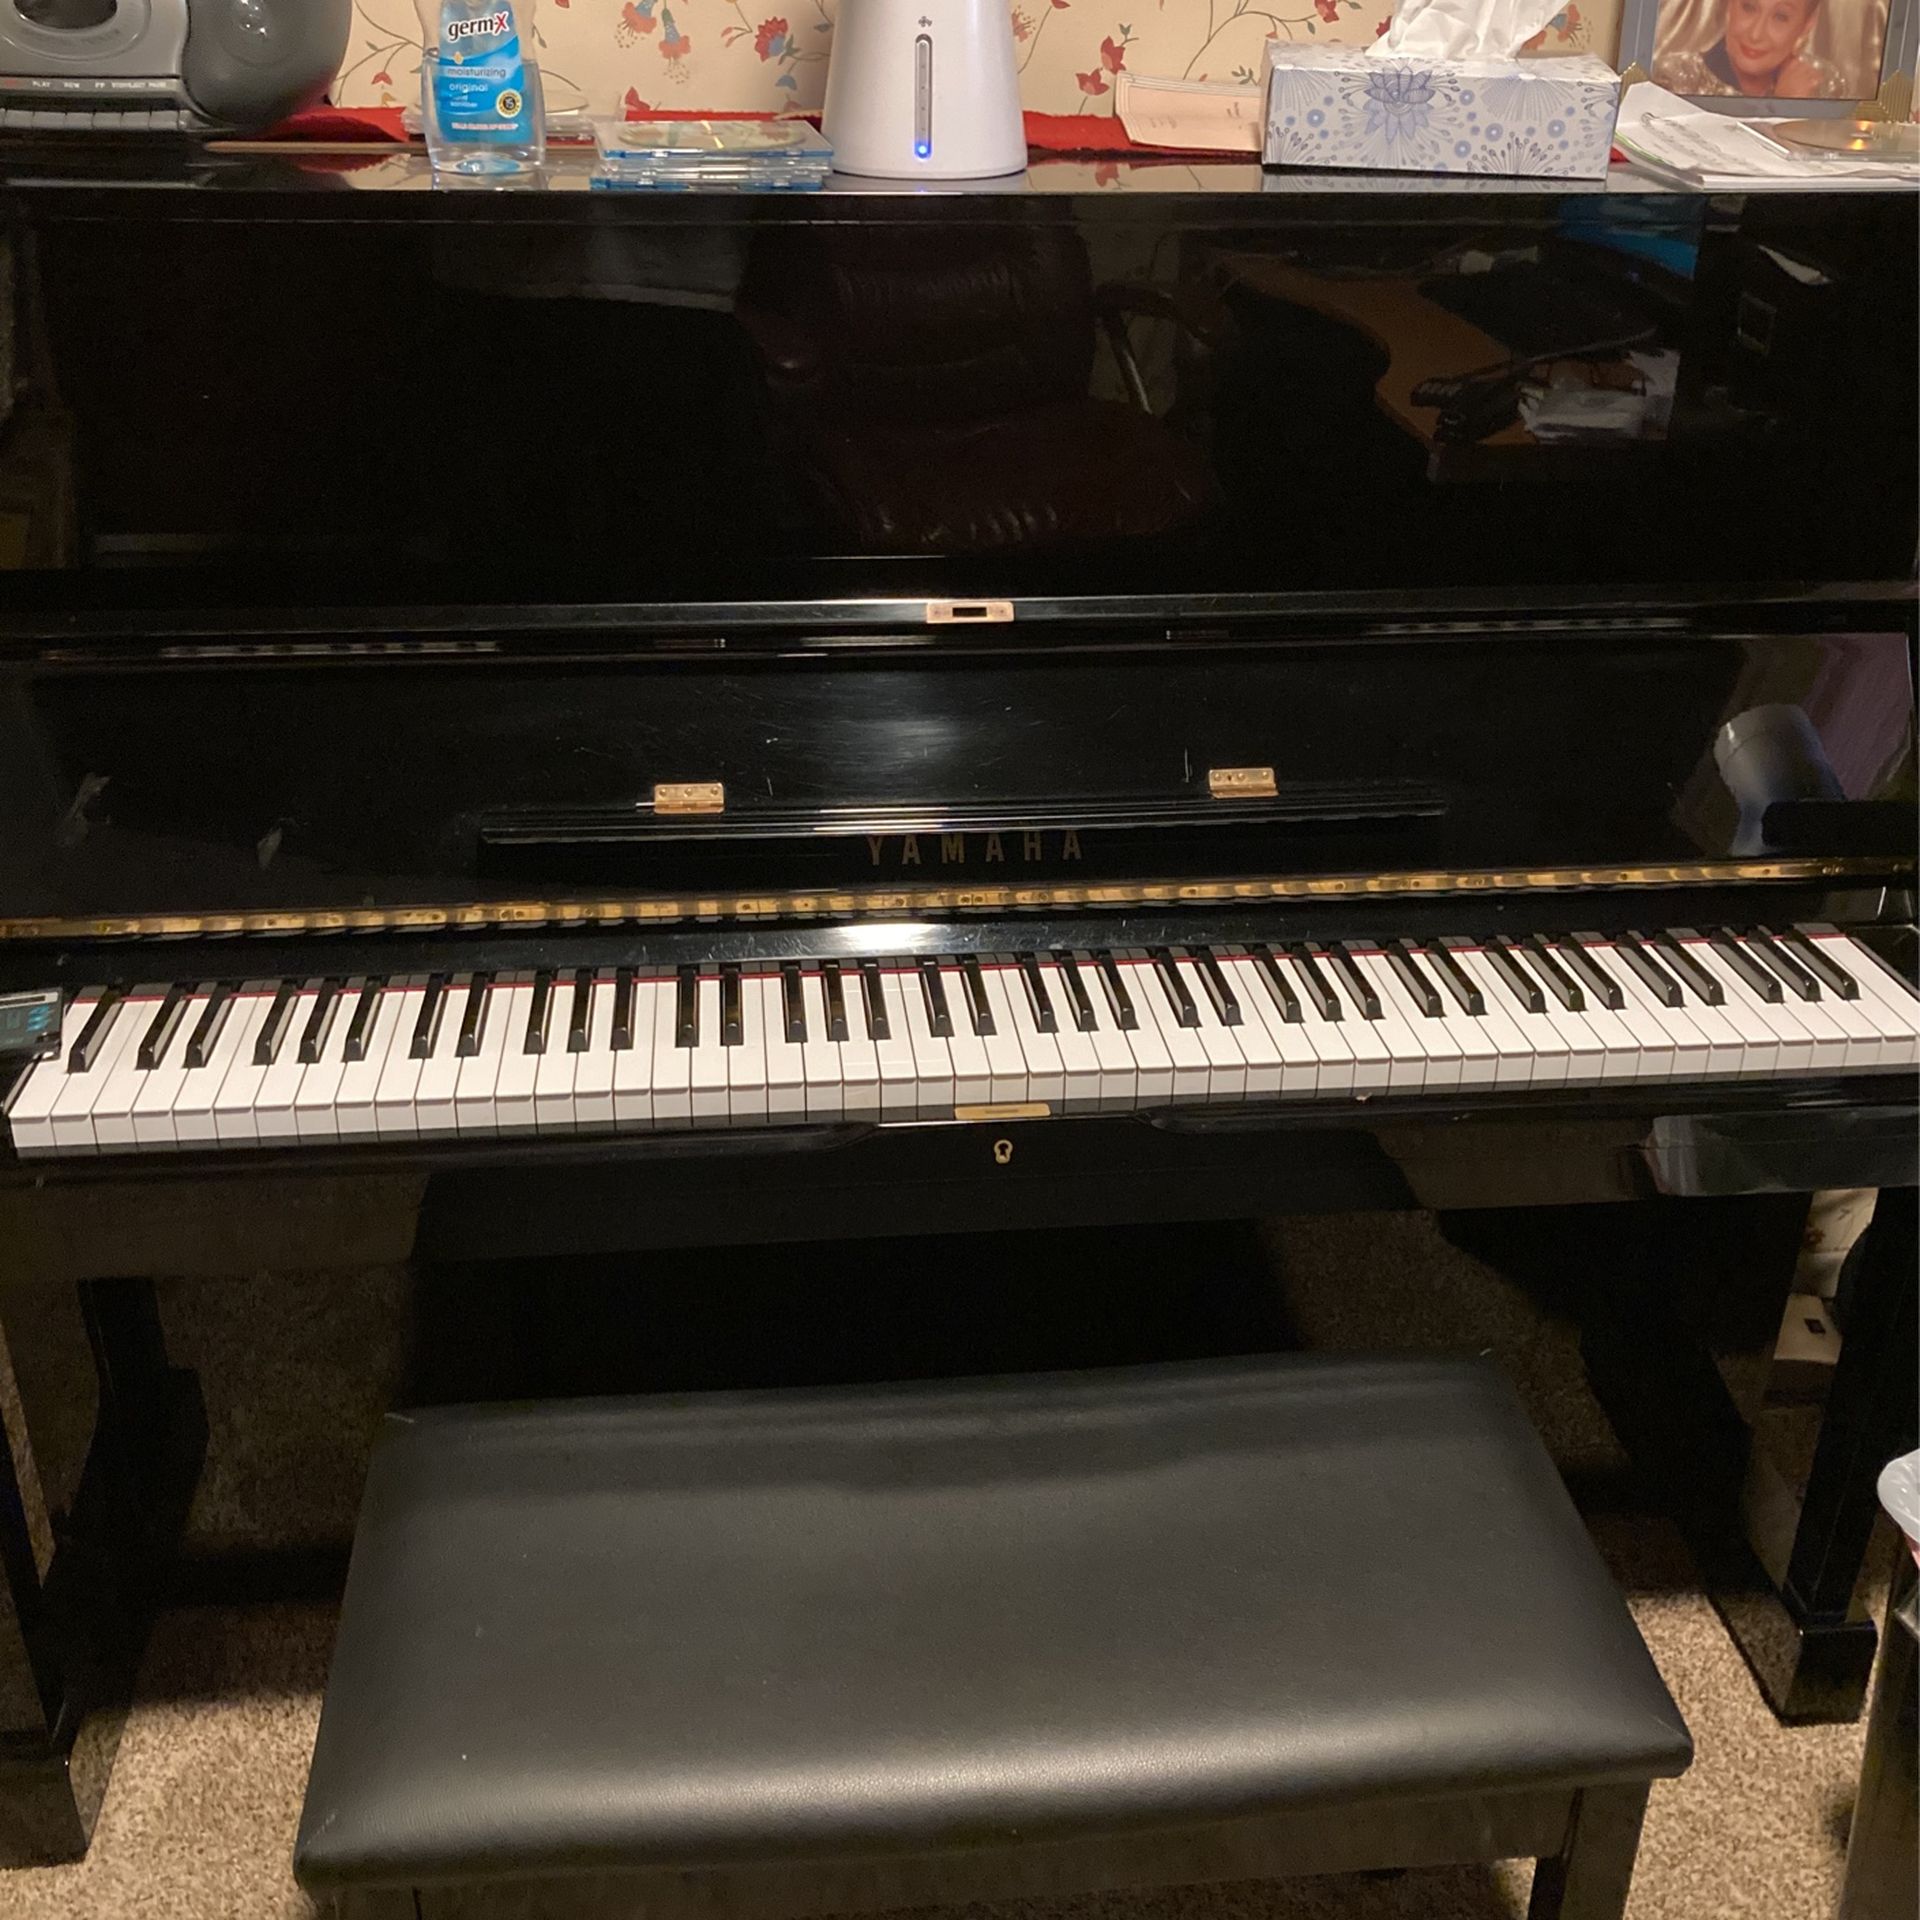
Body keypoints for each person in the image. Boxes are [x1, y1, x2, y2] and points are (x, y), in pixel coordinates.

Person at [1653, 0, 1849, 97]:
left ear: (1807, 24)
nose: (1756, 34)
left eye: (1780, 17)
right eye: (1749, 7)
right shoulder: (1675, 78)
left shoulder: (1823, 82)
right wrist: (1781, 107)